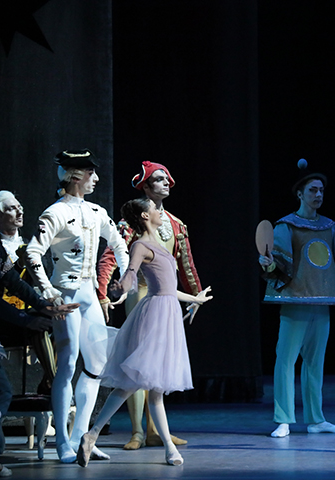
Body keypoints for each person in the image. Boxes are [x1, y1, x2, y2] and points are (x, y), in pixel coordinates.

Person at [77, 197, 212, 467]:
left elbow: (168, 287)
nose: (158, 211)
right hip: (154, 316)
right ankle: (92, 435)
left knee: (156, 388)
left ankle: (166, 448)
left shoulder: (160, 246)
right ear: (144, 214)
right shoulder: (140, 245)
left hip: (167, 312)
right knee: (131, 382)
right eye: (153, 207)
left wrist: (195, 299)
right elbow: (130, 273)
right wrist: (118, 288)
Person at [25, 150, 129, 463]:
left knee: (96, 364)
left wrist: (126, 276)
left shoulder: (97, 211)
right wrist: (49, 293)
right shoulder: (54, 213)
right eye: (89, 173)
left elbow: (119, 244)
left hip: (87, 294)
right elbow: (32, 253)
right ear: (74, 175)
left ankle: (81, 437)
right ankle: (61, 446)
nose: (95, 178)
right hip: (66, 293)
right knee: (68, 363)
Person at [259, 160, 335, 438]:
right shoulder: (286, 226)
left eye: (321, 190)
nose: (318, 195)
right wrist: (268, 264)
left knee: (314, 363)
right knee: (285, 360)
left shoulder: (328, 226)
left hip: (321, 302)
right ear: (300, 193)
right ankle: (283, 419)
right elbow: (277, 264)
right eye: (312, 190)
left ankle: (316, 420)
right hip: (295, 302)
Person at [97, 161, 199, 450]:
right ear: (145, 186)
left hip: (168, 297)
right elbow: (111, 257)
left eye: (167, 178)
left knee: (159, 366)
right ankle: (137, 431)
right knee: (140, 365)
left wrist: (195, 295)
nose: (166, 183)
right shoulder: (132, 225)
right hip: (143, 294)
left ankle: (156, 430)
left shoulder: (176, 223)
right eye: (158, 179)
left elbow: (185, 264)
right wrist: (104, 291)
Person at [0, 182, 78, 477]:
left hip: (16, 313)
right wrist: (29, 316)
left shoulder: (18, 247)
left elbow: (16, 284)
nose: (19, 211)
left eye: (19, 206)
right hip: (3, 320)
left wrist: (46, 306)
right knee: (0, 389)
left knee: (51, 323)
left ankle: (55, 385)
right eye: (9, 208)